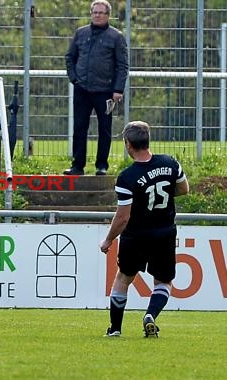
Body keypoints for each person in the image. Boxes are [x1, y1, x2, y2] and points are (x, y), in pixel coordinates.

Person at [100, 121, 189, 338]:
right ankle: (150, 314)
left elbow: (122, 217)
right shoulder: (170, 164)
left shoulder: (127, 177)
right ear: (148, 140)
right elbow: (184, 189)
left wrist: (108, 240)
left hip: (136, 235)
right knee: (164, 281)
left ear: (128, 144)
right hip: (165, 233)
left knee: (123, 278)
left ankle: (115, 329)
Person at [64, 0, 128, 176]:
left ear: (108, 15)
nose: (98, 15)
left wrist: (118, 89)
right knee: (79, 128)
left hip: (105, 91)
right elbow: (70, 57)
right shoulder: (80, 33)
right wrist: (74, 79)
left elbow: (122, 65)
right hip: (82, 89)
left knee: (105, 129)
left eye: (101, 12)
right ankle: (77, 166)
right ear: (91, 13)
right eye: (95, 12)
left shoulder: (116, 37)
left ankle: (102, 166)